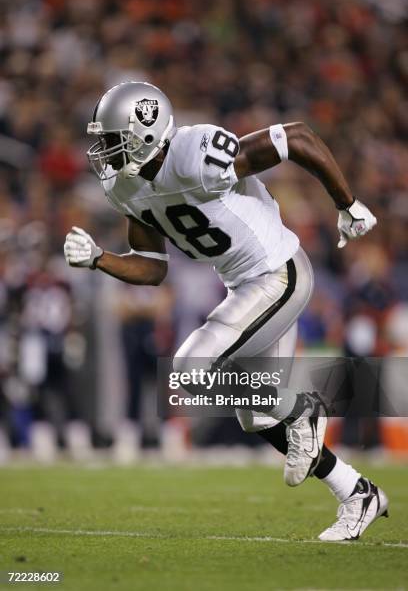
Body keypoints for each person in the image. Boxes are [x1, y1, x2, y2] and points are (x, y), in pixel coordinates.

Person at [64, 81, 388, 541]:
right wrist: (99, 258)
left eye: (114, 139)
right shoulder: (125, 188)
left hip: (278, 272)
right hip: (247, 288)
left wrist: (346, 203)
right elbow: (153, 267)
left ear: (146, 131)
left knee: (190, 367)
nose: (105, 151)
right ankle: (356, 491)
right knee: (257, 414)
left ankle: (303, 410)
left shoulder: (197, 154)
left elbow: (296, 137)